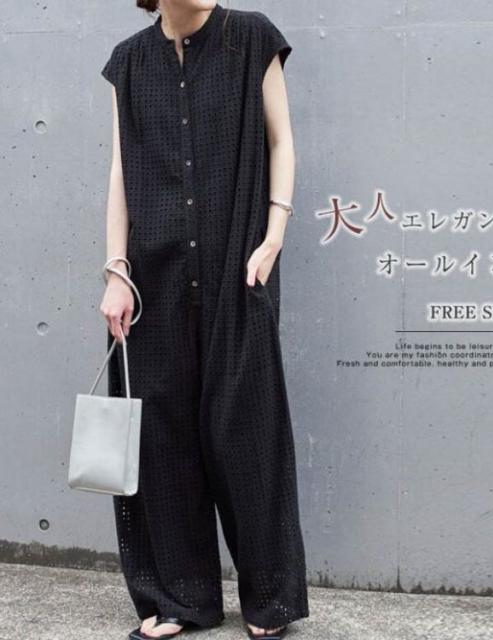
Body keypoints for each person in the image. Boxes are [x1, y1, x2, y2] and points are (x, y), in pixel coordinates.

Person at [98, 1, 309, 638]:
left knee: (247, 431)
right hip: (152, 276)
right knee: (161, 439)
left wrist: (273, 237)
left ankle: (270, 600)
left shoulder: (251, 38)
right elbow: (121, 171)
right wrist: (116, 270)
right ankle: (181, 599)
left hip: (238, 269)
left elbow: (282, 140)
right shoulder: (129, 62)